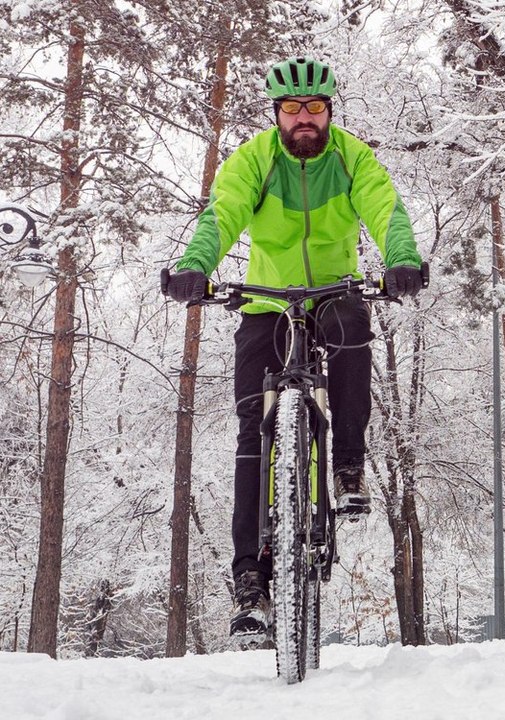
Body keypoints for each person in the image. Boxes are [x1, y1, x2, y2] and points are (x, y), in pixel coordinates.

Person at [164, 56, 423, 639]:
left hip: (335, 291)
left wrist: (401, 259)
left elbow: (386, 209)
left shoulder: (351, 157)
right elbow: (221, 214)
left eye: (314, 108)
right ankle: (251, 583)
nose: (303, 119)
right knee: (252, 428)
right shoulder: (253, 159)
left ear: (329, 111)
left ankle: (348, 466)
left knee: (354, 327)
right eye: (291, 110)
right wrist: (194, 266)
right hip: (265, 303)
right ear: (277, 114)